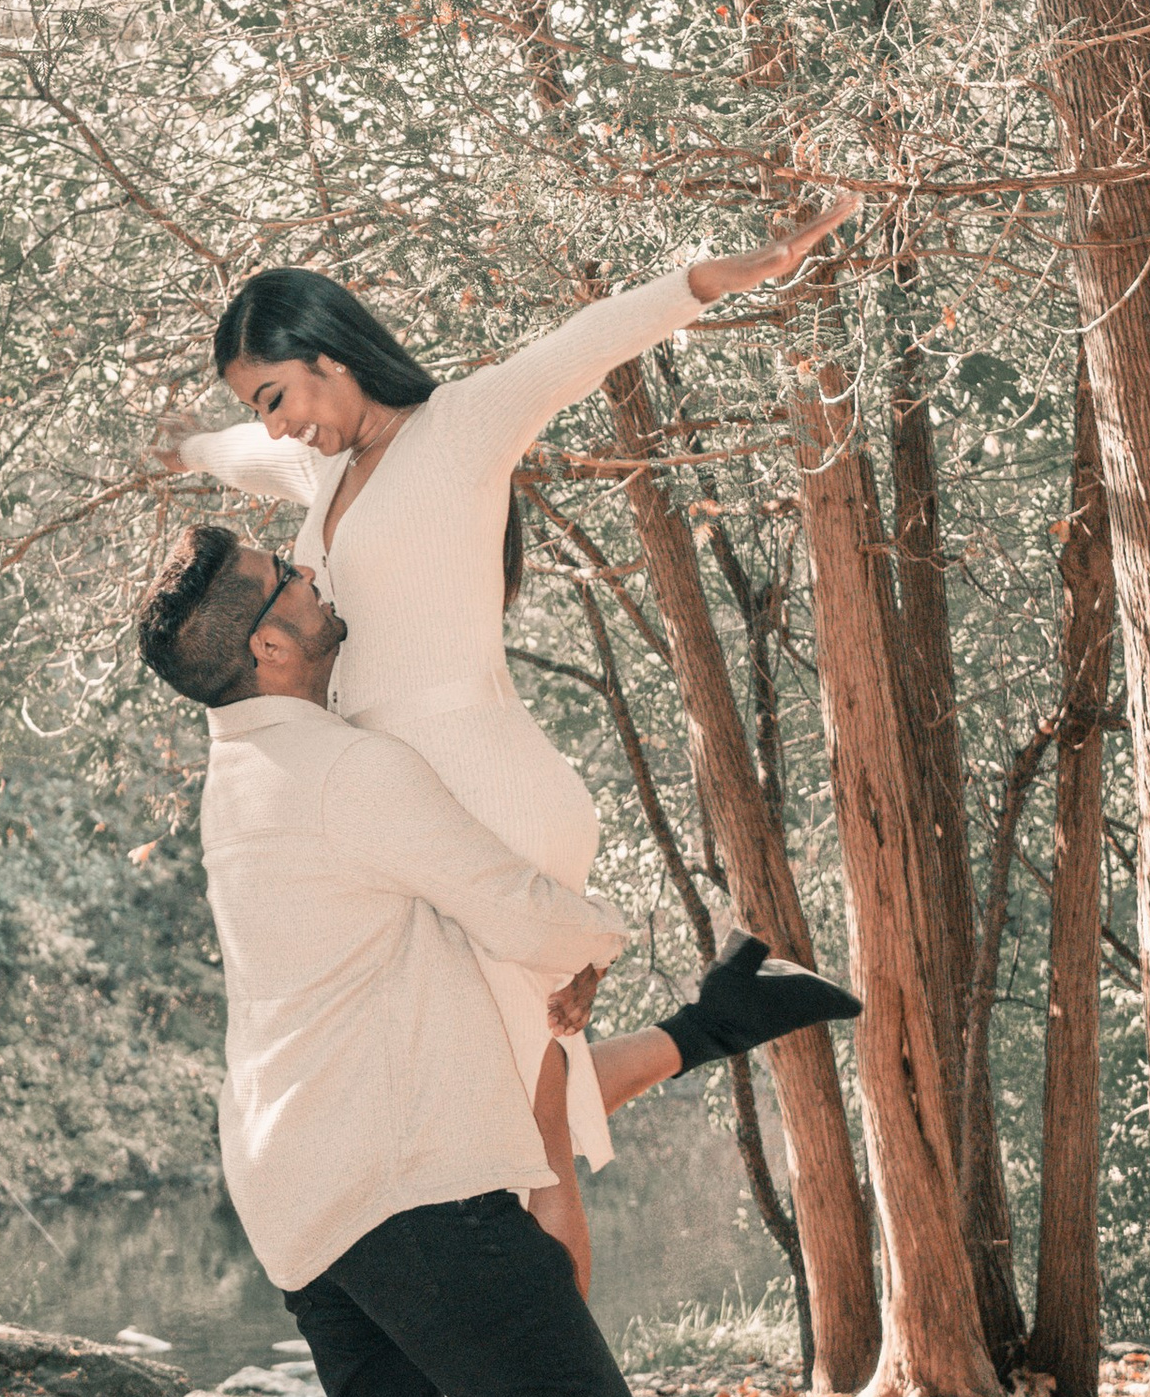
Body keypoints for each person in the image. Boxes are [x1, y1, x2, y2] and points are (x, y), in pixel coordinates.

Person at [151, 209, 862, 1283]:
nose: (281, 428)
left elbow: (583, 344)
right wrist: (188, 445)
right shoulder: (323, 477)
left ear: (329, 356)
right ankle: (726, 1019)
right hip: (397, 825)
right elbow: (243, 456)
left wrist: (720, 275)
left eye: (278, 396)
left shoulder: (460, 428)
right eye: (263, 412)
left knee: (528, 1142)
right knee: (500, 1098)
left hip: (481, 799)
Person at [136, 518, 637, 1397]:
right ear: (277, 641)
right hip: (396, 1170)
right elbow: (516, 903)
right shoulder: (349, 770)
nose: (316, 578)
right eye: (293, 580)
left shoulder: (247, 771)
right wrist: (589, 947)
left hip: (300, 1174)